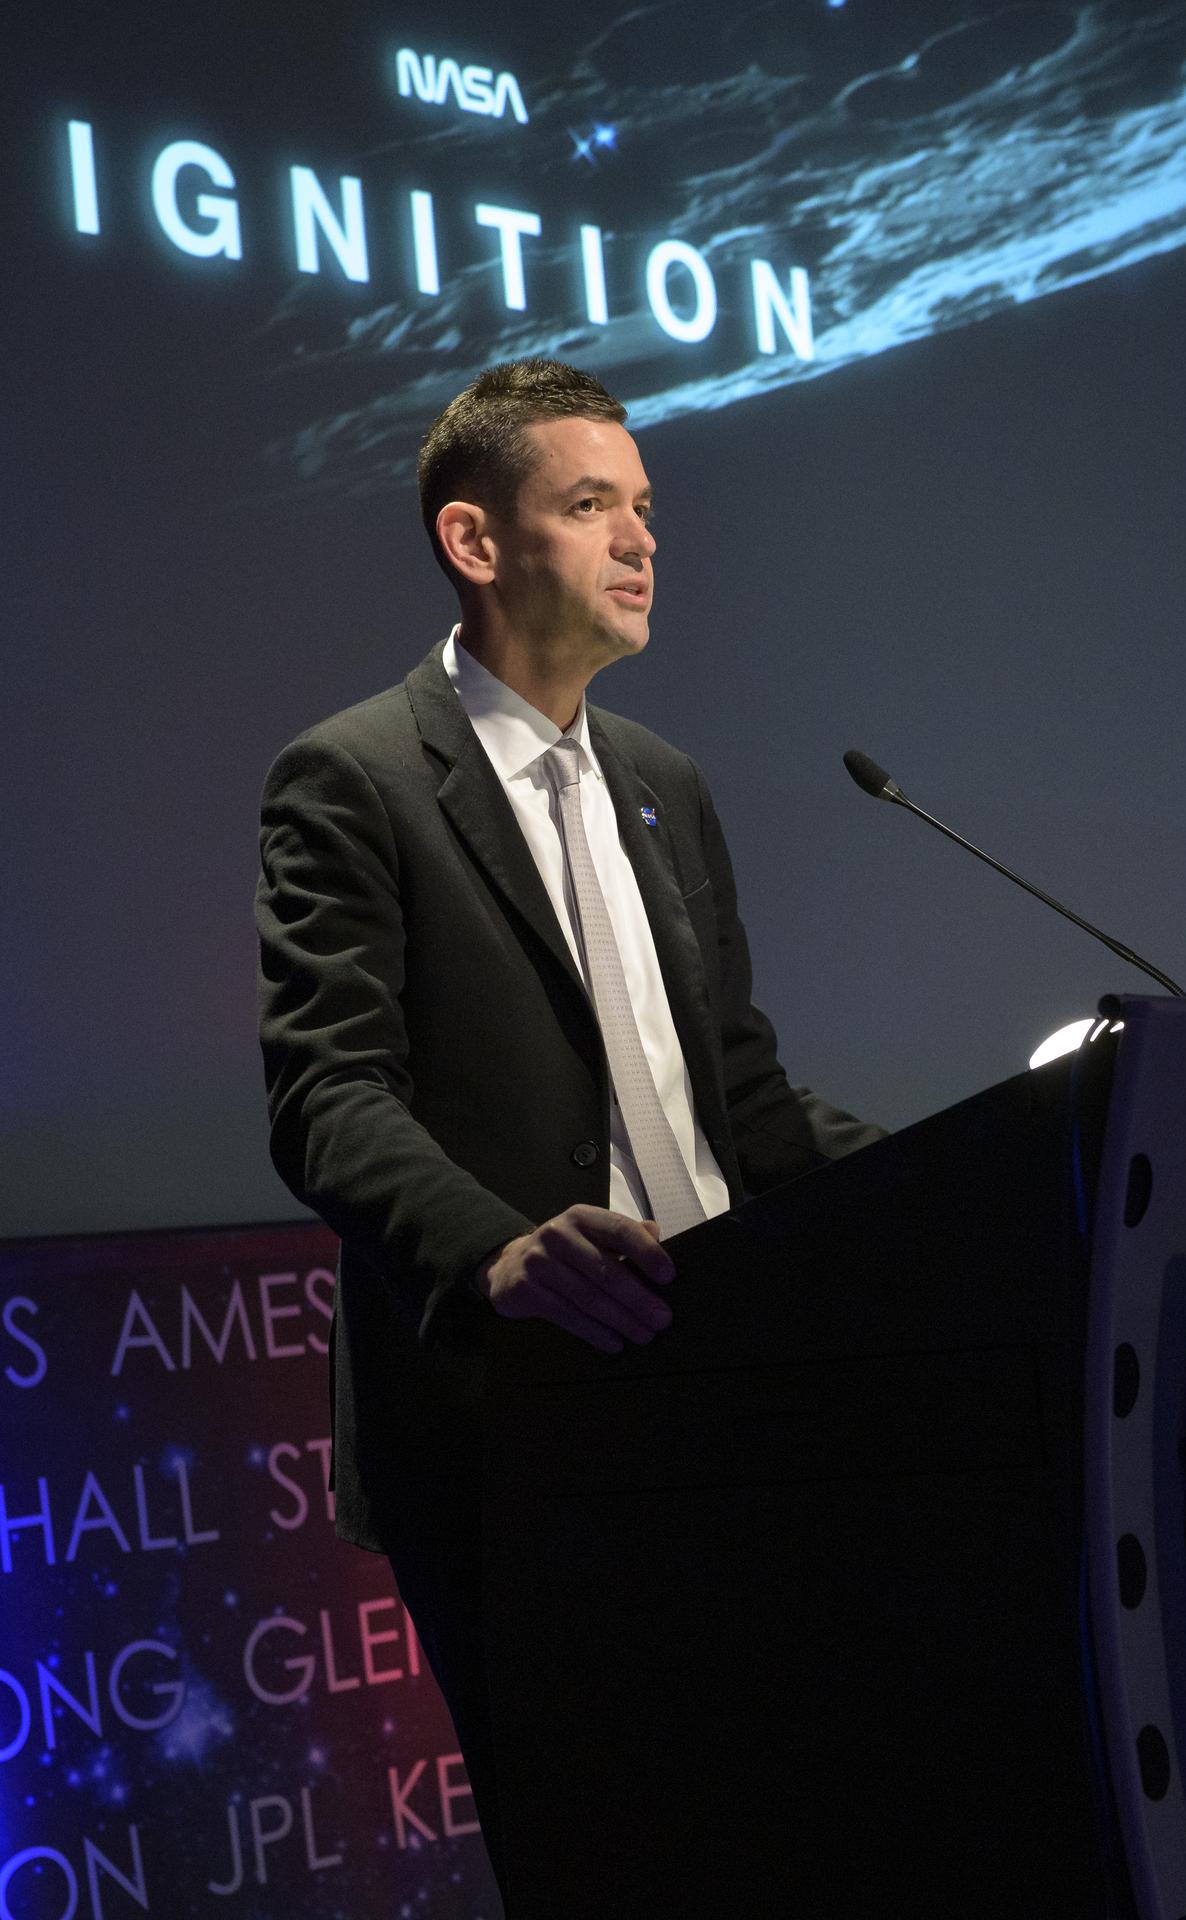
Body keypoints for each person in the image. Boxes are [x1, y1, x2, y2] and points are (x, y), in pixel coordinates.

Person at [255, 358, 880, 1909]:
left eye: (644, 507)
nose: (640, 539)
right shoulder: (354, 779)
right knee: (609, 1852)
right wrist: (499, 1252)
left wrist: (974, 1157)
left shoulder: (663, 783)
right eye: (593, 504)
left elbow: (737, 1095)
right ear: (475, 542)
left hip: (732, 1385)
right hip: (524, 1411)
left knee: (796, 1828)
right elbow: (327, 1094)